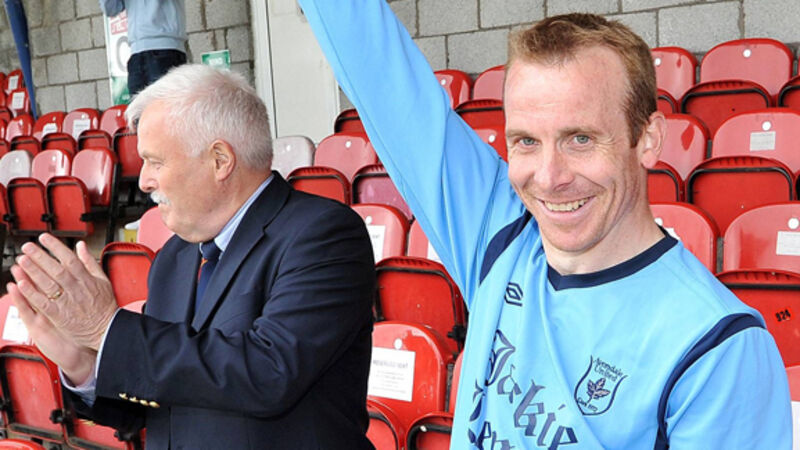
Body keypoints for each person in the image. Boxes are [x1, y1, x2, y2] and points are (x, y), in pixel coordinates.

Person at [298, 2, 792, 448]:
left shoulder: (719, 347)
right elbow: (379, 71)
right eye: (526, 142)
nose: (550, 178)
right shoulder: (498, 233)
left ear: (648, 138)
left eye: (580, 139)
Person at [5, 64, 376, 449]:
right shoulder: (175, 256)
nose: (144, 180)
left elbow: (270, 373)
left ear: (220, 160)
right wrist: (84, 366)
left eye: (156, 161)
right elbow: (163, 398)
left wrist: (106, 329)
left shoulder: (322, 234)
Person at [100, 0, 188, 96]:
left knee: (165, 102)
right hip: (136, 52)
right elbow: (111, 9)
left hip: (165, 47)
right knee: (138, 104)